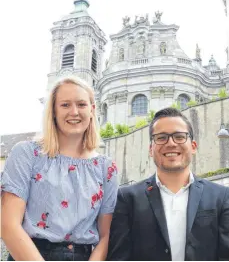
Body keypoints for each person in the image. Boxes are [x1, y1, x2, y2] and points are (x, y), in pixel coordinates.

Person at [1, 76, 118, 261]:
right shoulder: (26, 154)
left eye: (81, 104)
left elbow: (105, 236)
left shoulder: (106, 167)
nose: (74, 112)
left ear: (92, 110)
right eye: (65, 105)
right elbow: (8, 226)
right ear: (53, 111)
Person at [107, 107, 229, 261]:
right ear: (151, 149)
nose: (171, 143)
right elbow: (119, 257)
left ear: (193, 146)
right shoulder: (127, 198)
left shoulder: (221, 196)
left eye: (179, 136)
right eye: (161, 137)